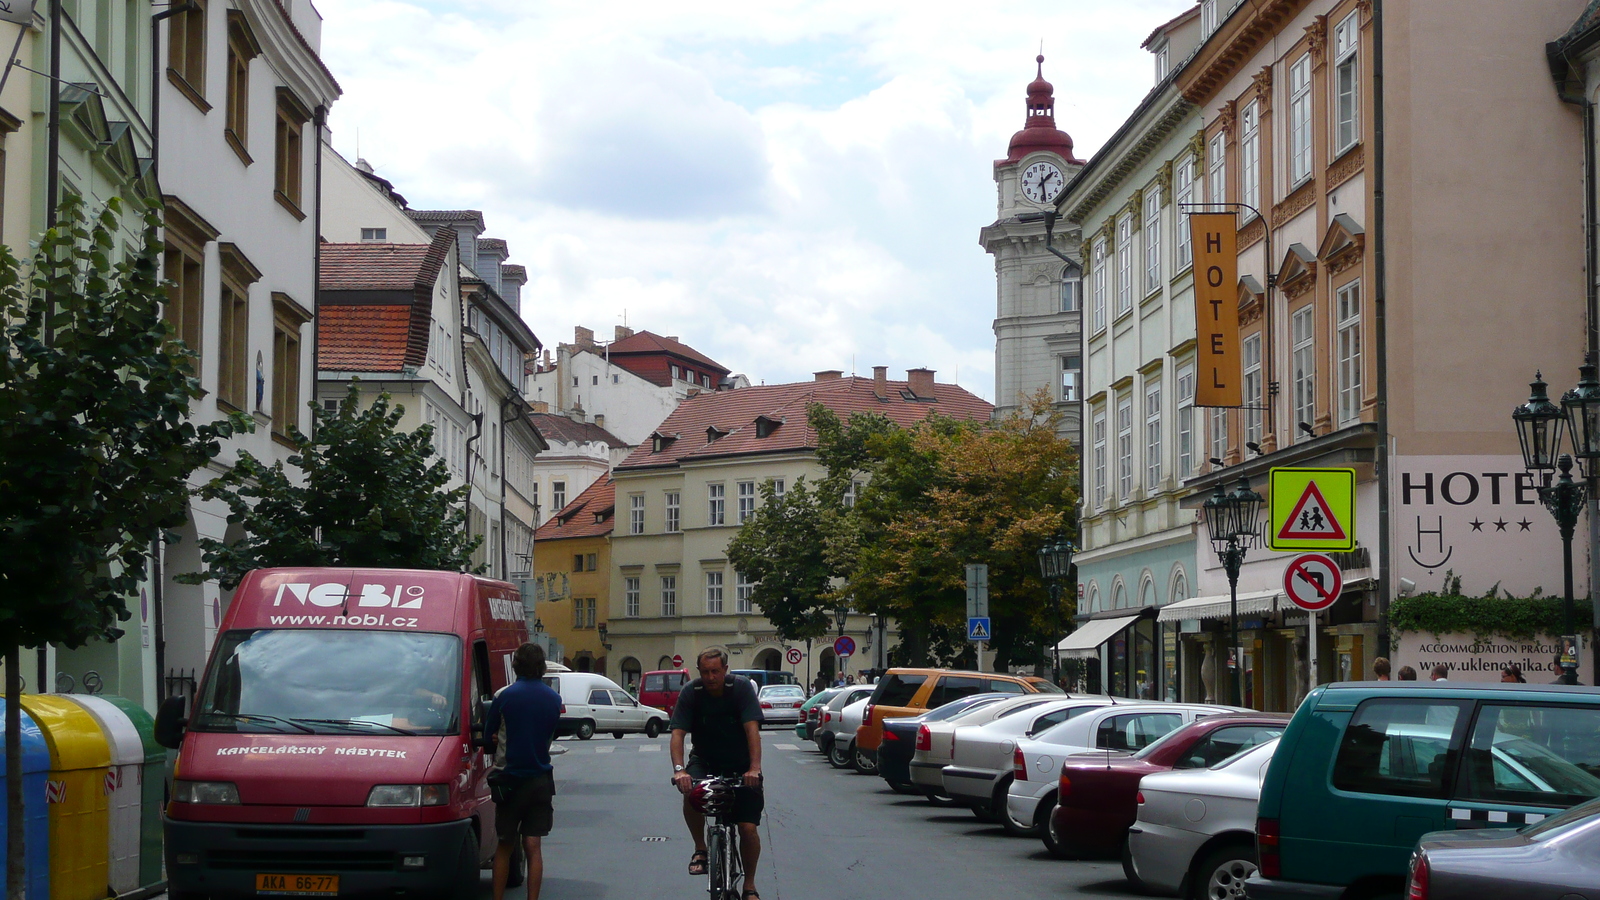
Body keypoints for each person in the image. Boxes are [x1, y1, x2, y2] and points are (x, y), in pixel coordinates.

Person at [670, 648, 765, 900]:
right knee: (689, 790)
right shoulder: (692, 692)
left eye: (715, 671)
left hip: (741, 764)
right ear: (699, 672)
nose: (710, 677)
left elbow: (752, 730)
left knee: (747, 828)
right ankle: (700, 848)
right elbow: (677, 733)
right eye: (705, 672)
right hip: (705, 760)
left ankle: (750, 886)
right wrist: (679, 770)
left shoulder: (740, 689)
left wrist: (754, 769)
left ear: (725, 670)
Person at [485, 644, 562, 900]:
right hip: (540, 780)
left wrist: (495, 738)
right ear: (542, 667)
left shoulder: (504, 696)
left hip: (510, 779)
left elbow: (488, 737)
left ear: (515, 666)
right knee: (534, 846)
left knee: (505, 845)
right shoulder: (553, 698)